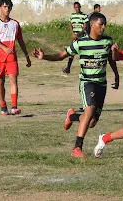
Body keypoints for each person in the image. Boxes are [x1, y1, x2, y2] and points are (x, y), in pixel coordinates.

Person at [32, 13, 117, 158]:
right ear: (92, 24)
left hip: (101, 84)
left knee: (91, 122)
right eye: (101, 24)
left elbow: (111, 58)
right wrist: (44, 56)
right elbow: (61, 56)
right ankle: (77, 148)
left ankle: (72, 116)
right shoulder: (80, 42)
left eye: (105, 24)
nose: (104, 27)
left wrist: (116, 73)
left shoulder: (108, 41)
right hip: (87, 82)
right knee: (89, 110)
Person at [0, 0, 31, 116]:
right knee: (0, 81)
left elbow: (20, 40)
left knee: (13, 80)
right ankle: (3, 105)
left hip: (12, 58)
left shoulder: (15, 24)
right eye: (4, 7)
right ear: (0, 8)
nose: (7, 9)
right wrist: (4, 48)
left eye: (9, 7)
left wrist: (27, 55)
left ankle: (14, 107)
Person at [62, 2, 88, 74]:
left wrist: (79, 34)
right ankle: (68, 68)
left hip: (82, 37)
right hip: (75, 36)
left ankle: (85, 69)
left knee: (83, 53)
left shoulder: (84, 16)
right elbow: (70, 25)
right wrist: (73, 33)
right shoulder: (72, 16)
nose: (77, 9)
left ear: (80, 7)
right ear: (74, 8)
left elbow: (85, 27)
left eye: (78, 7)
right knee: (71, 53)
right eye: (76, 7)